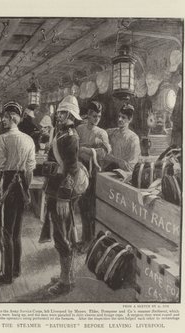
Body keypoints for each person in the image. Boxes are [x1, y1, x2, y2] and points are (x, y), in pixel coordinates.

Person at [0, 101, 36, 284]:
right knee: (17, 232)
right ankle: (16, 269)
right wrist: (26, 190)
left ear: (12, 118)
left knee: (6, 232)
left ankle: (7, 273)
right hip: (22, 187)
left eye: (5, 117)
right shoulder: (28, 140)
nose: (2, 120)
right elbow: (30, 170)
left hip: (8, 185)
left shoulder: (2, 139)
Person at [43, 95, 89, 295]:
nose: (59, 115)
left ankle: (65, 282)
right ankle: (67, 275)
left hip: (62, 191)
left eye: (62, 113)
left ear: (70, 114)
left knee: (62, 235)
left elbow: (71, 169)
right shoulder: (62, 133)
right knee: (65, 232)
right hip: (56, 188)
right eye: (59, 112)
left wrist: (63, 196)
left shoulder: (69, 136)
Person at [76, 101, 111, 252]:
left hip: (93, 171)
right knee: (82, 206)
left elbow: (105, 153)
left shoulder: (102, 133)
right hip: (80, 169)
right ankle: (84, 238)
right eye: (94, 116)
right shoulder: (79, 129)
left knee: (90, 207)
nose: (97, 119)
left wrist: (88, 150)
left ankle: (89, 241)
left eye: (99, 116)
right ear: (88, 115)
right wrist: (85, 149)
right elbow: (74, 147)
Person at [103, 104, 141, 172]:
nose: (119, 119)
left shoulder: (133, 139)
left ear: (130, 119)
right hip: (109, 169)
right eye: (119, 116)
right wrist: (117, 161)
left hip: (124, 173)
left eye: (123, 117)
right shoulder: (111, 132)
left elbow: (131, 166)